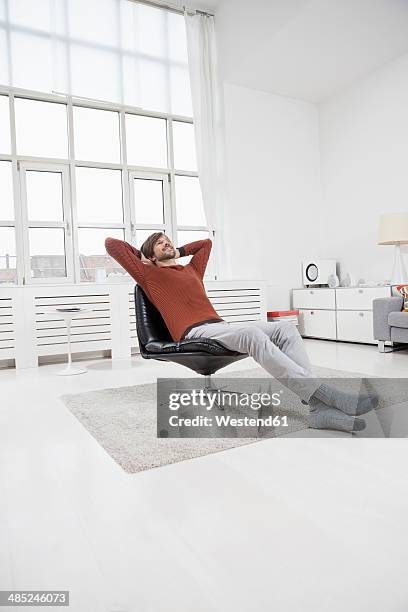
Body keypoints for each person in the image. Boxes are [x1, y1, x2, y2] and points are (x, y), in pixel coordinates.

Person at [105, 233, 377, 432]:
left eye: (168, 240)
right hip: (193, 332)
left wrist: (179, 250)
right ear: (150, 255)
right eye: (159, 243)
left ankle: (317, 408)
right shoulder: (147, 275)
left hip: (218, 326)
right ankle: (327, 397)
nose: (167, 243)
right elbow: (112, 245)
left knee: (284, 328)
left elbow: (206, 244)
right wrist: (143, 257)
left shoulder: (192, 270)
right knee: (253, 336)